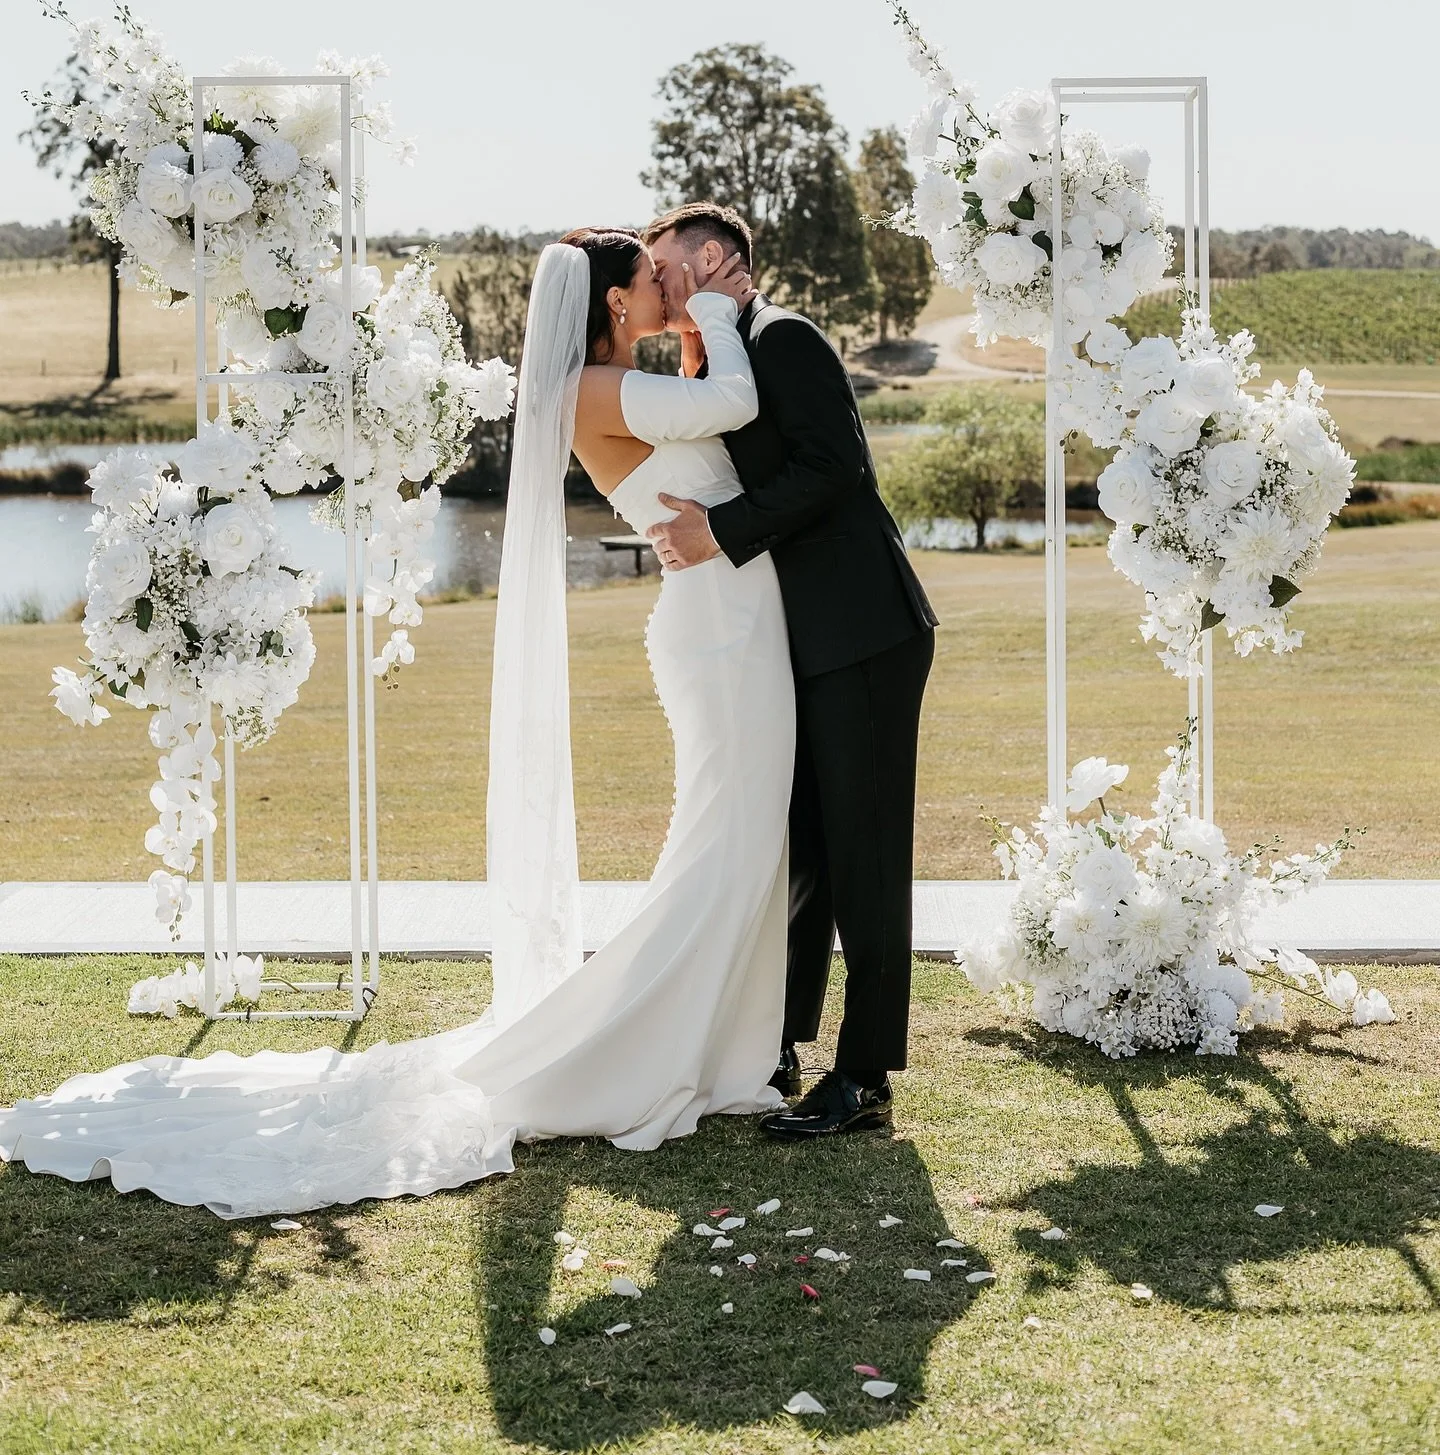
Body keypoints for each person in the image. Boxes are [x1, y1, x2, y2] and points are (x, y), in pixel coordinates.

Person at [0, 233, 798, 1218]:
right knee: (725, 839)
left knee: (738, 837)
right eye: (653, 278)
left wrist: (701, 326)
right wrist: (716, 307)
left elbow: (713, 422)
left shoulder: (623, 380)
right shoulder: (592, 389)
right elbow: (732, 405)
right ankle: (628, 1050)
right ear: (615, 304)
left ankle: (711, 1046)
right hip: (718, 634)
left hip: (734, 624)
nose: (670, 285)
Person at [643, 203, 937, 1142]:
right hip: (799, 642)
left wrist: (718, 533)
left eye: (666, 266)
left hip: (864, 631)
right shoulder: (723, 354)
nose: (658, 284)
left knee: (865, 856)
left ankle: (866, 1077)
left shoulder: (786, 338)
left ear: (713, 257)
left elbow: (835, 467)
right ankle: (779, 1042)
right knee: (803, 846)